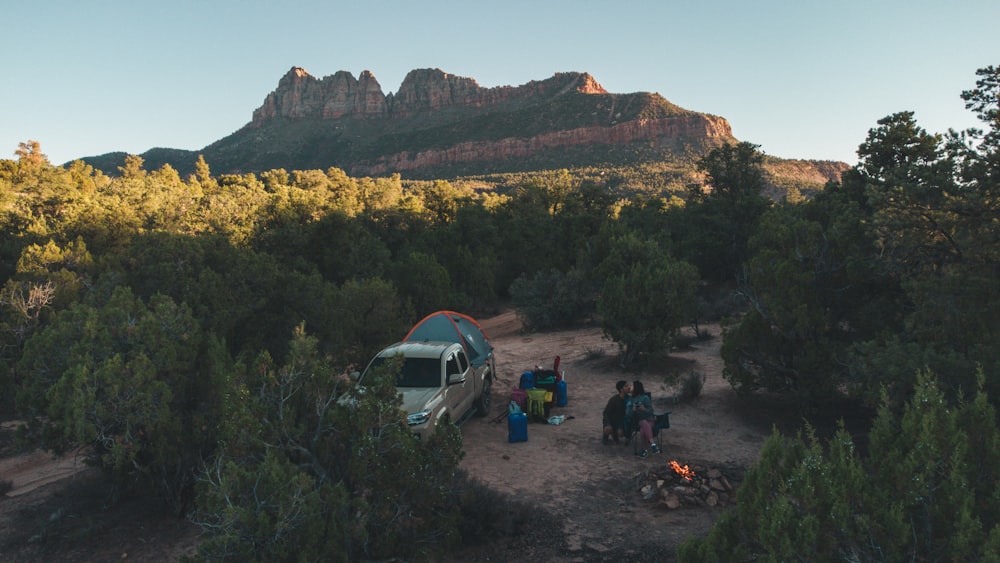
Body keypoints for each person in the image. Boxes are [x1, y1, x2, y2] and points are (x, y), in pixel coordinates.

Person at [627, 380, 659, 458]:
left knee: (642, 430)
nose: (630, 388)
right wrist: (633, 410)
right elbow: (628, 414)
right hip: (636, 421)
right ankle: (653, 444)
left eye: (632, 386)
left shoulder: (645, 398)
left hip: (649, 420)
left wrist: (644, 409)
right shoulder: (630, 400)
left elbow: (651, 411)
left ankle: (644, 451)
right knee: (642, 422)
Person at [602, 380, 631, 445]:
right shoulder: (614, 400)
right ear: (621, 389)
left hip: (621, 422)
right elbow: (606, 413)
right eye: (626, 386)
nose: (629, 387)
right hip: (612, 420)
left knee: (621, 433)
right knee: (608, 429)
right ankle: (606, 436)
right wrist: (608, 423)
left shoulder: (629, 399)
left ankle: (615, 435)